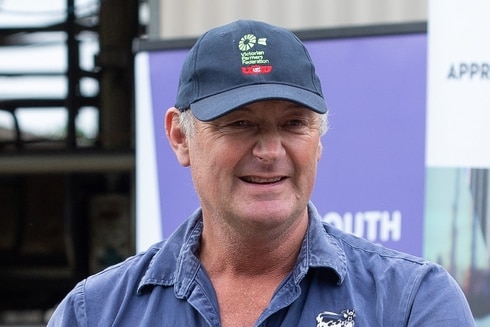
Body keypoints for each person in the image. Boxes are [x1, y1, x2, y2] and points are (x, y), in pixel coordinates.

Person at [48, 19, 475, 326]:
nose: (270, 152)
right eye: (240, 123)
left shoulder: (410, 303)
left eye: (293, 123)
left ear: (319, 138)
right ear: (180, 137)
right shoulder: (96, 313)